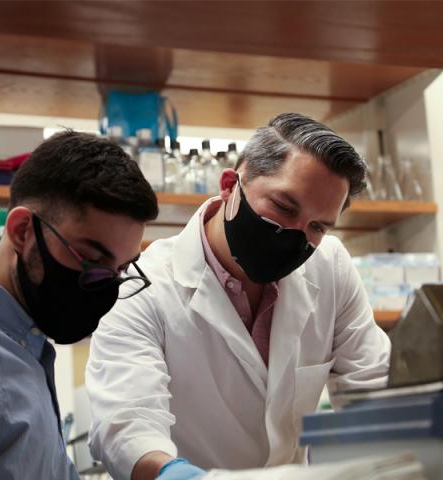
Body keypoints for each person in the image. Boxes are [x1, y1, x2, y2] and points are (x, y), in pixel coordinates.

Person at [86, 113, 391, 480]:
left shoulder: (330, 266)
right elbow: (127, 425)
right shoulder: (143, 286)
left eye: (317, 226)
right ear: (230, 185)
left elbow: (371, 389)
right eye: (284, 207)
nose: (294, 235)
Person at [0, 131, 158, 479]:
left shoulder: (21, 347)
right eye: (91, 261)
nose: (104, 285)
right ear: (22, 231)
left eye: (120, 270)